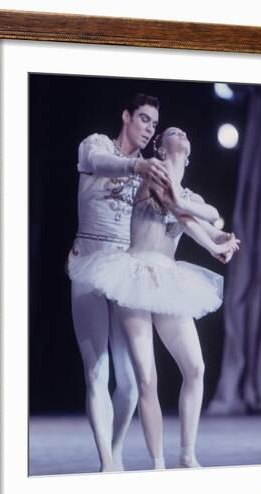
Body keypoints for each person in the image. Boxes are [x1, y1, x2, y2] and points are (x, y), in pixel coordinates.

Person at [69, 127, 239, 469]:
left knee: (196, 367)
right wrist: (212, 244)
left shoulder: (187, 194)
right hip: (134, 275)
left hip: (167, 279)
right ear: (161, 148)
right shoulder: (154, 177)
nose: (181, 133)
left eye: (183, 133)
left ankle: (187, 453)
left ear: (189, 154)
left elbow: (200, 214)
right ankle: (158, 462)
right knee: (147, 378)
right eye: (173, 132)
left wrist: (222, 241)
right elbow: (180, 211)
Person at [67, 93, 171, 472]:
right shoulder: (96, 145)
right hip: (88, 261)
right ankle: (107, 463)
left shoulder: (148, 170)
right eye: (144, 119)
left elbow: (171, 210)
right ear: (126, 116)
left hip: (123, 269)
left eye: (154, 124)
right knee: (97, 370)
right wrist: (137, 166)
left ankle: (116, 448)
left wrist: (213, 236)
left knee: (129, 381)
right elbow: (99, 163)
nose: (149, 128)